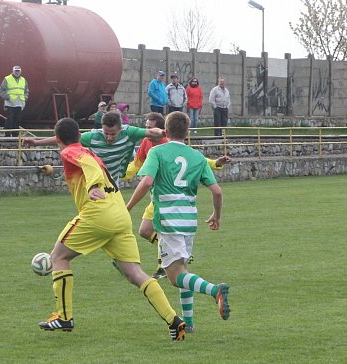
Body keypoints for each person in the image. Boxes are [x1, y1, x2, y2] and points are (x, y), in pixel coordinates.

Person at [37, 117, 186, 341]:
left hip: (99, 213)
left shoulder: (70, 152)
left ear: (58, 139)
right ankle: (174, 320)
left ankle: (65, 317)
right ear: (80, 135)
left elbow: (86, 165)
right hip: (120, 214)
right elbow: (90, 162)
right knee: (135, 273)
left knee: (58, 256)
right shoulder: (90, 151)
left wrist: (93, 186)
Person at [126, 111, 230, 333]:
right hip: (189, 220)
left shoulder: (157, 152)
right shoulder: (197, 157)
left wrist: (127, 208)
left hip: (167, 219)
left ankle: (215, 290)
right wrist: (216, 215)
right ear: (187, 132)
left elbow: (146, 183)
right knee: (184, 270)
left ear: (166, 130)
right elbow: (217, 191)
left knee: (176, 277)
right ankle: (189, 323)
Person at [23, 111, 164, 182]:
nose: (109, 138)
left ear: (120, 129)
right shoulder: (93, 136)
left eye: (113, 134)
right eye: (106, 133)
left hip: (114, 183)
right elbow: (64, 137)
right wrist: (37, 142)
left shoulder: (130, 132)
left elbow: (152, 131)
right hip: (93, 184)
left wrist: (165, 132)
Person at [0, 65, 29, 137]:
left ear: (20, 71)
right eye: (16, 71)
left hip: (20, 103)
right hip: (10, 103)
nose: (17, 72)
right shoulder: (7, 79)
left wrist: (25, 97)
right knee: (10, 119)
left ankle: (15, 135)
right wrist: (7, 97)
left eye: (18, 71)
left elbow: (26, 90)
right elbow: (1, 90)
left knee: (17, 120)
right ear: (13, 71)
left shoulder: (23, 80)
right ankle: (7, 135)